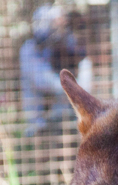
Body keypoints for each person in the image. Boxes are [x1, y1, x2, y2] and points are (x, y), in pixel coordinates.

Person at [19, 5, 92, 137]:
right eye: (53, 23)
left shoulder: (65, 43)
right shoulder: (29, 49)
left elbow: (84, 67)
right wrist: (73, 88)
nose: (57, 28)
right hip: (39, 120)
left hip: (67, 118)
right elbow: (42, 81)